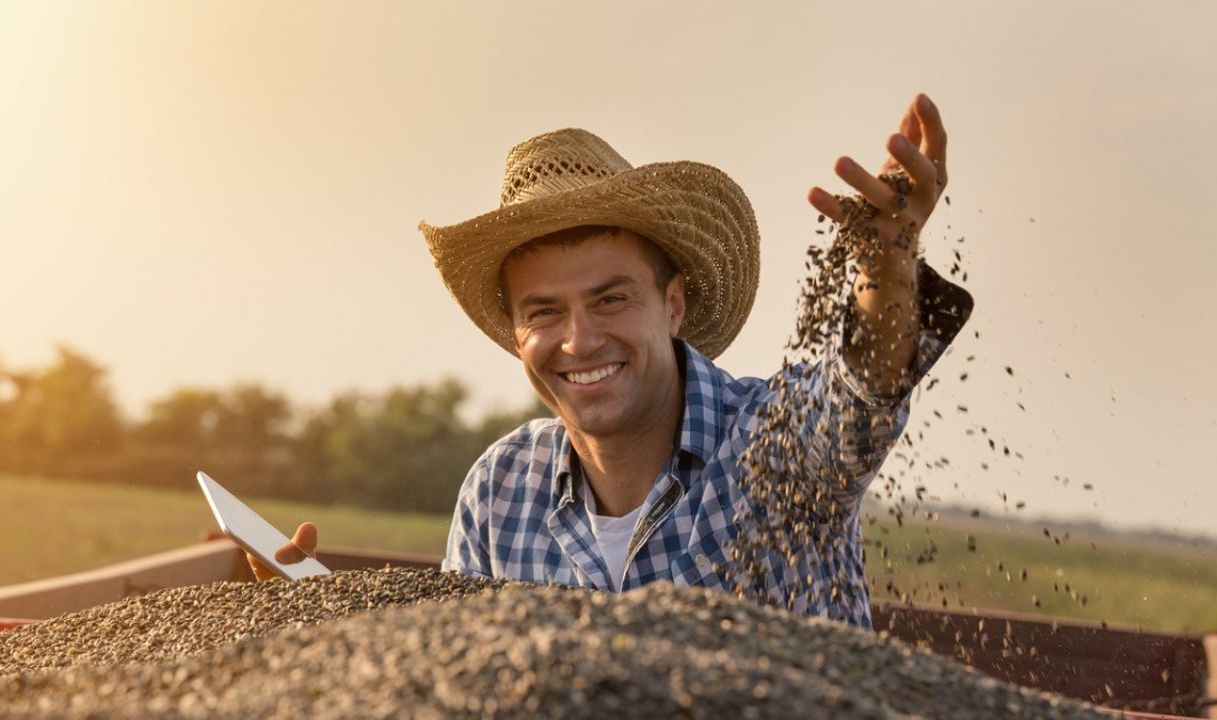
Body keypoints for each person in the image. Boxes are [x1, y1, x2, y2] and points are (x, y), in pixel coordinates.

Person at [250, 94, 970, 628]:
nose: (579, 340)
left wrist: (887, 263)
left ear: (675, 304)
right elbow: (458, 674)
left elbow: (860, 400)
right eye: (543, 313)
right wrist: (326, 629)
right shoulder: (499, 493)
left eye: (611, 298)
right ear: (515, 333)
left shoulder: (775, 444)